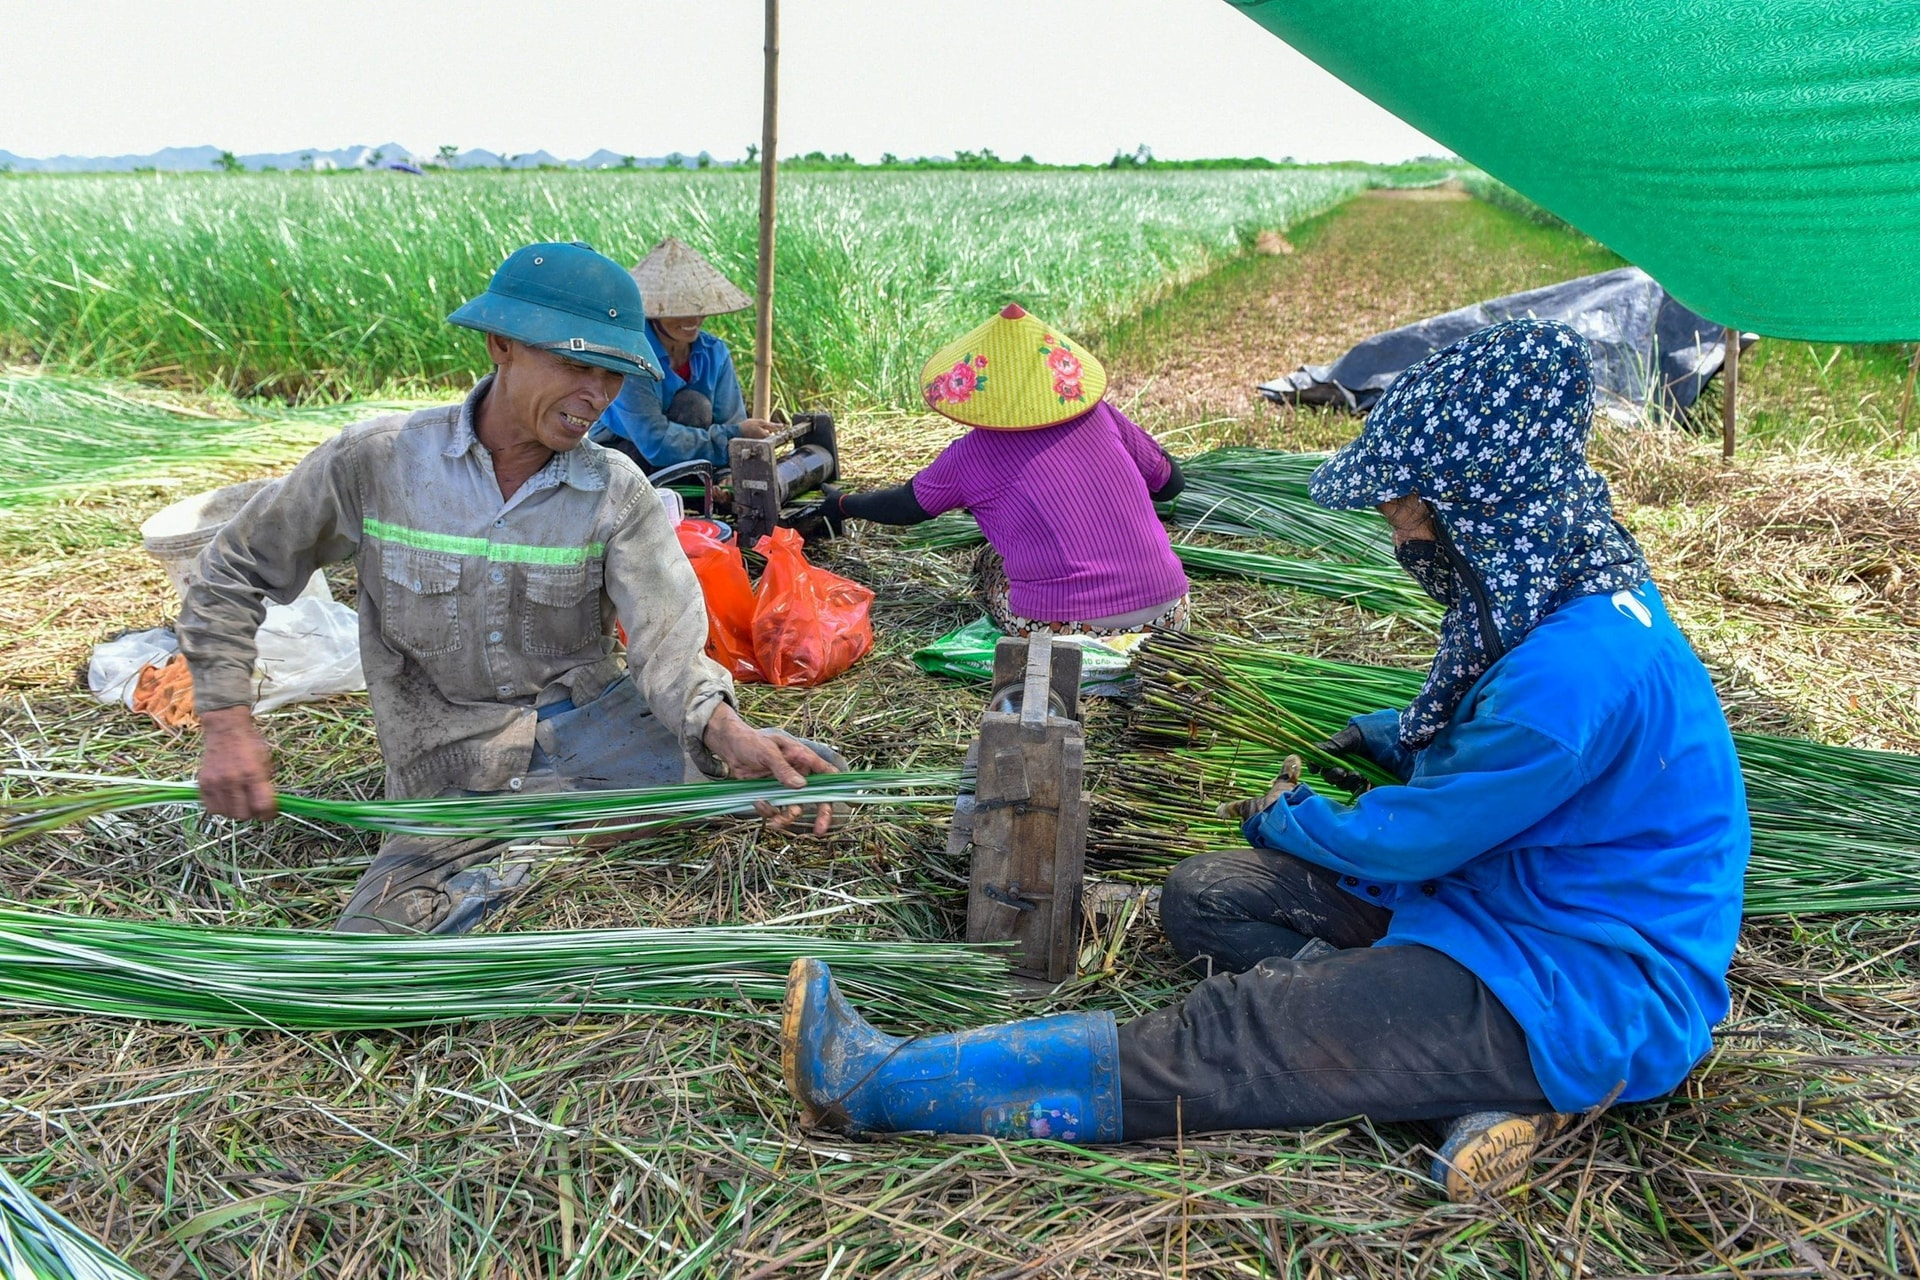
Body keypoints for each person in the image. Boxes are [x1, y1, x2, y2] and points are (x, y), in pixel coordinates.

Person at [781, 320, 1751, 1201]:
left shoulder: (1571, 680)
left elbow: (1419, 834)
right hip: (1501, 901)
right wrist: (1391, 728)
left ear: (1477, 498)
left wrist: (1301, 822)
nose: (1397, 527)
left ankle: (874, 1080)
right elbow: (1498, 738)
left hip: (1574, 981)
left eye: (1408, 503)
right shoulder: (1571, 580)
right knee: (1208, 897)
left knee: (1237, 1035)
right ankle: (1452, 1083)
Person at [179, 241, 841, 936]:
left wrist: (723, 728)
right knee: (377, 948)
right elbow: (232, 571)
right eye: (577, 365)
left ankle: (569, 831)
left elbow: (668, 645)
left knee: (805, 778)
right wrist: (226, 722)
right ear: (501, 345)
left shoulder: (616, 492)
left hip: (596, 737)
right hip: (453, 767)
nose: (597, 396)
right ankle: (544, 841)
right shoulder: (377, 462)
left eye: (613, 376)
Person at [821, 304, 1190, 636]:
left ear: (982, 394)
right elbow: (1171, 484)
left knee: (990, 562)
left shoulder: (970, 455)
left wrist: (843, 504)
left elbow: (905, 507)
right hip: (1171, 615)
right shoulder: (1100, 414)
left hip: (1069, 629)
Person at [590, 237, 775, 473]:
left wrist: (729, 474)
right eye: (679, 311)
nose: (692, 320)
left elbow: (730, 422)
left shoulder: (714, 353)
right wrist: (735, 436)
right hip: (625, 456)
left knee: (695, 406)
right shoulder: (632, 356)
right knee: (694, 405)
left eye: (697, 309)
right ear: (654, 312)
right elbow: (654, 441)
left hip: (694, 456)